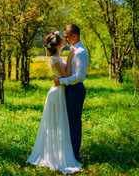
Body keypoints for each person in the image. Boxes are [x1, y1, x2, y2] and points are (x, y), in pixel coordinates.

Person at [26, 31, 82, 174]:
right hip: (56, 94)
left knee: (60, 124)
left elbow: (63, 76)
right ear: (57, 44)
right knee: (57, 124)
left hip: (60, 92)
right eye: (62, 39)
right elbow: (67, 75)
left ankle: (61, 151)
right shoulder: (55, 60)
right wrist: (69, 60)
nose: (64, 40)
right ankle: (56, 155)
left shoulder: (57, 58)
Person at [54, 24, 89, 162]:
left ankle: (75, 155)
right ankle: (70, 152)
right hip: (70, 89)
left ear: (74, 36)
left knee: (74, 123)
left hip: (76, 90)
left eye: (67, 36)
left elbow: (79, 76)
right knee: (69, 122)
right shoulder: (74, 50)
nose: (65, 39)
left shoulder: (80, 52)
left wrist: (61, 81)